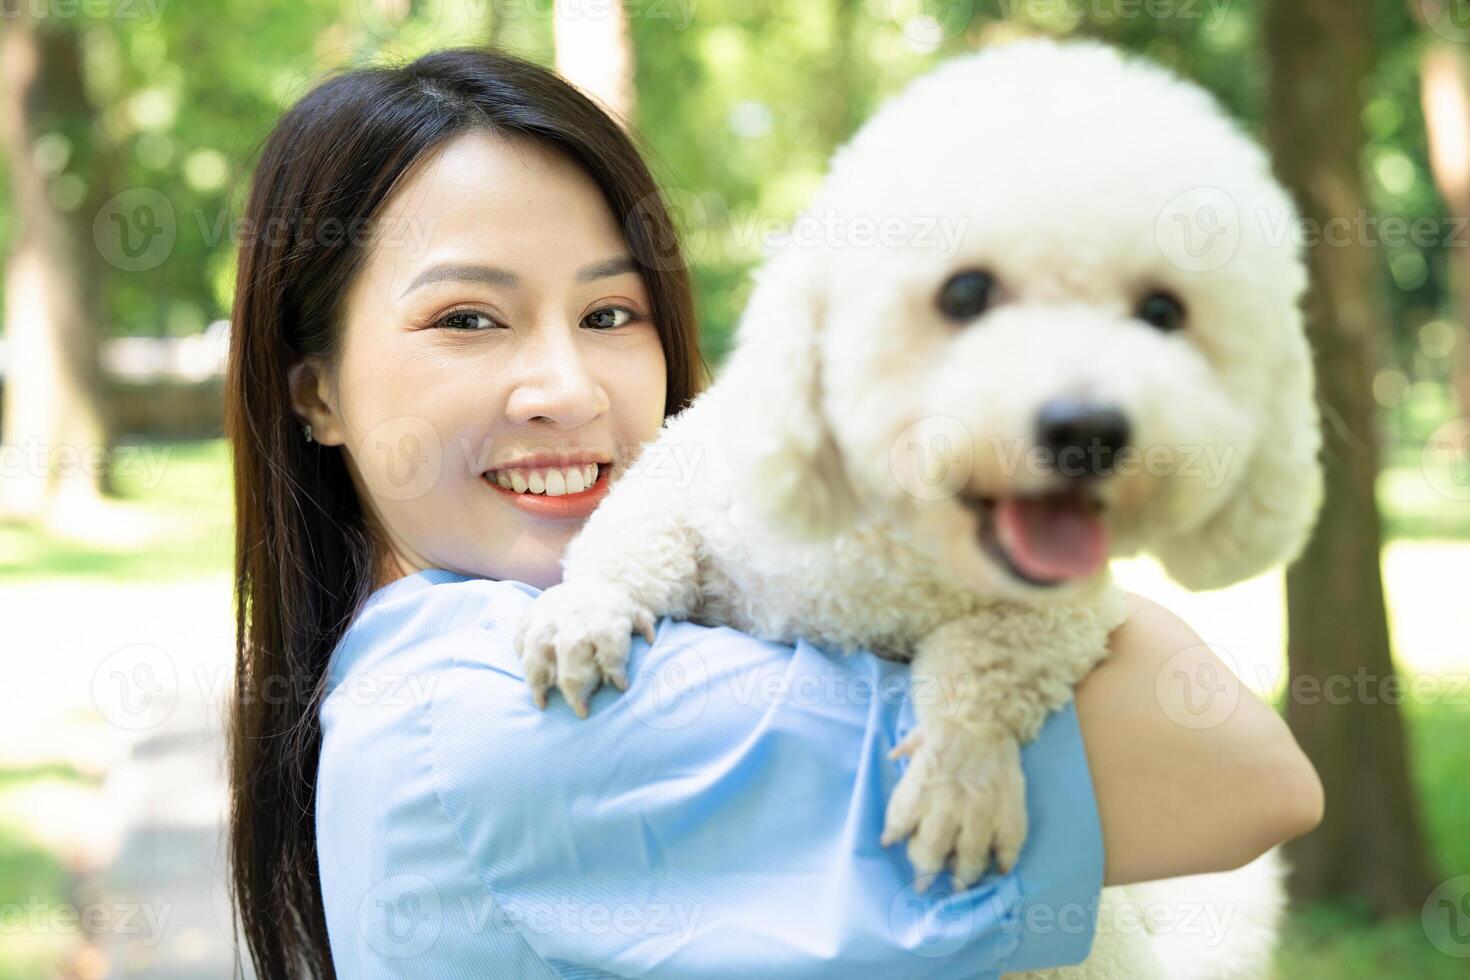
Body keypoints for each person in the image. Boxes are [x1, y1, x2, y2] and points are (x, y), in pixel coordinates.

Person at [224, 48, 1324, 979]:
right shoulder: (503, 710)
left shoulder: (405, 670)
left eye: (612, 311)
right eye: (468, 317)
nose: (567, 386)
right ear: (313, 388)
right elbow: (1237, 769)